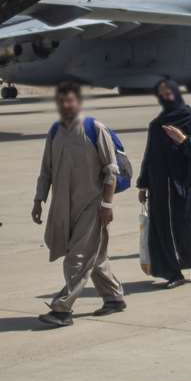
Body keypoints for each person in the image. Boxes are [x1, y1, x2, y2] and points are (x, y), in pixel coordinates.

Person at [32, 82, 125, 326]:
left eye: (70, 100)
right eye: (61, 101)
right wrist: (38, 199)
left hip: (92, 206)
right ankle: (114, 298)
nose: (65, 105)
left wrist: (107, 205)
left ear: (78, 102)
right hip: (64, 207)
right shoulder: (54, 131)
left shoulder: (94, 128)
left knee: (78, 257)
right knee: (96, 256)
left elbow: (111, 170)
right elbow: (46, 170)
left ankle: (62, 309)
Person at [137, 80, 191, 288]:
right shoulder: (156, 124)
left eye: (170, 92)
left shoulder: (190, 118)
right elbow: (149, 154)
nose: (167, 96)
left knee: (188, 227)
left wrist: (183, 139)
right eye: (162, 93)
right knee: (162, 230)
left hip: (187, 183)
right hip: (160, 185)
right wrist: (143, 184)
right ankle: (173, 273)